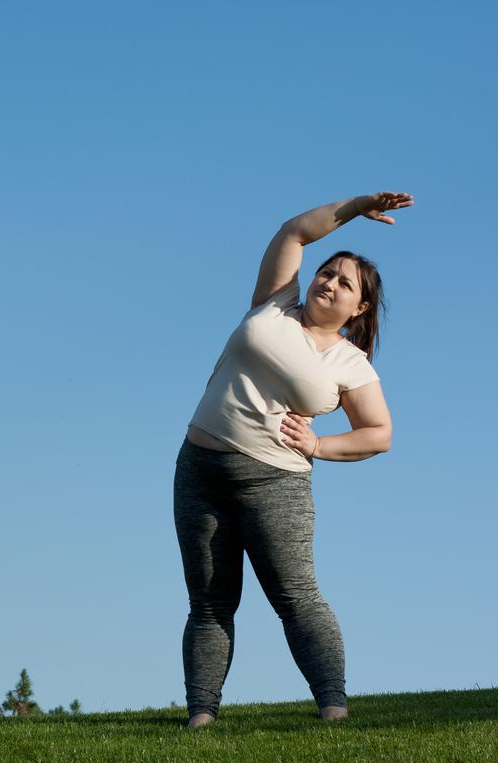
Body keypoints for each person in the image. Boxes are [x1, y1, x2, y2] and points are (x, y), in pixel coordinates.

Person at [175, 190, 413, 728]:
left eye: (345, 284)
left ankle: (333, 708)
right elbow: (294, 232)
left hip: (274, 484)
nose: (329, 283)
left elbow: (379, 434)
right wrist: (356, 207)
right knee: (209, 602)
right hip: (198, 472)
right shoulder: (274, 304)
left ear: (360, 308)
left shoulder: (351, 363)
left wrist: (320, 446)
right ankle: (200, 717)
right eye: (327, 273)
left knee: (297, 598)